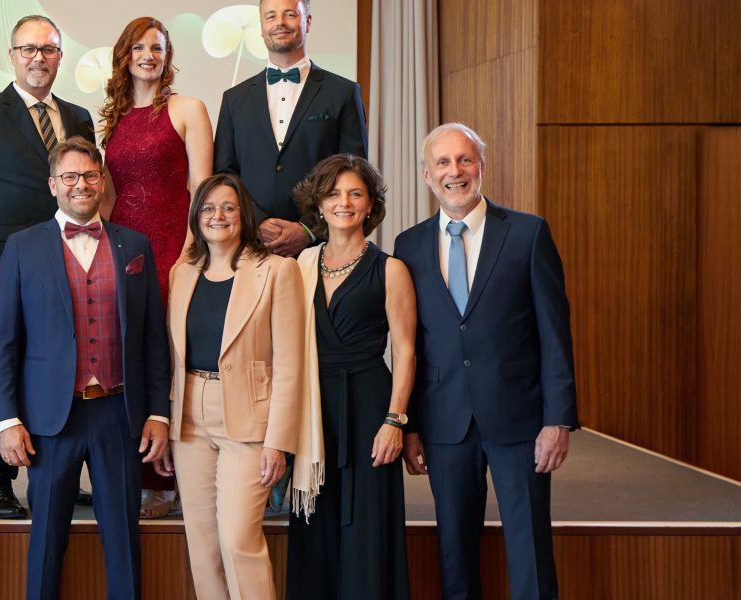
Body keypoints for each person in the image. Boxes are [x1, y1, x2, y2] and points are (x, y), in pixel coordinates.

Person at [394, 123, 579, 600]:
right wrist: (410, 423)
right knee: (455, 550)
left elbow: (555, 335)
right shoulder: (408, 246)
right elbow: (410, 342)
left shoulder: (528, 233)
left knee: (530, 546)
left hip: (521, 417)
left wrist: (557, 420)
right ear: (426, 175)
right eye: (442, 163)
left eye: (464, 160)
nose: (455, 172)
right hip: (443, 419)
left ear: (481, 165)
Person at [0, 138, 171, 600]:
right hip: (52, 419)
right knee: (47, 539)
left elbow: (153, 338)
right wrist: (7, 421)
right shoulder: (21, 247)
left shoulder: (136, 245)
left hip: (118, 414)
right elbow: (4, 343)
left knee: (123, 541)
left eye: (90, 175)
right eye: (69, 176)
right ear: (53, 185)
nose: (81, 184)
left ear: (102, 180)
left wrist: (158, 413)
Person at [0, 14, 96, 519]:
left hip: (69, 264)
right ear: (11, 56)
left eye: (48, 49)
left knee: (62, 362)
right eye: (28, 49)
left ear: (59, 57)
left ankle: (58, 470)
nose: (38, 58)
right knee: (0, 365)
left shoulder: (78, 117)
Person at [165, 173, 304, 600]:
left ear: (242, 215)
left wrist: (278, 441)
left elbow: (290, 363)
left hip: (248, 419)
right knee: (203, 546)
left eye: (227, 207)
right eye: (207, 208)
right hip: (190, 416)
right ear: (196, 217)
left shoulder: (277, 271)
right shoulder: (181, 272)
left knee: (238, 542)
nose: (217, 216)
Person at [99, 16, 213, 519]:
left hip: (174, 246)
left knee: (172, 354)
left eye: (158, 47)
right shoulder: (114, 120)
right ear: (125, 55)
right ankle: (143, 473)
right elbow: (108, 196)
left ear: (168, 56)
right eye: (140, 47)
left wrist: (191, 253)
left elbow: (202, 190)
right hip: (124, 246)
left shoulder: (188, 109)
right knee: (132, 354)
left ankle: (178, 474)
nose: (149, 54)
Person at [287, 154, 415, 598]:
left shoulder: (391, 269)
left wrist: (395, 421)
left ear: (369, 205)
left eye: (355, 193)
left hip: (368, 406)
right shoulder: (299, 263)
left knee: (368, 526)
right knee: (315, 522)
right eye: (334, 192)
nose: (344, 202)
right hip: (312, 409)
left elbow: (405, 349)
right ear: (318, 203)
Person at [213, 0, 368, 258]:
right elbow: (225, 174)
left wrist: (307, 229)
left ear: (307, 22)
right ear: (261, 28)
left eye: (289, 14)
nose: (280, 23)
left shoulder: (343, 92)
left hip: (323, 248)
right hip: (250, 246)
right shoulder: (234, 99)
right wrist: (257, 222)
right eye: (271, 17)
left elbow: (355, 172)